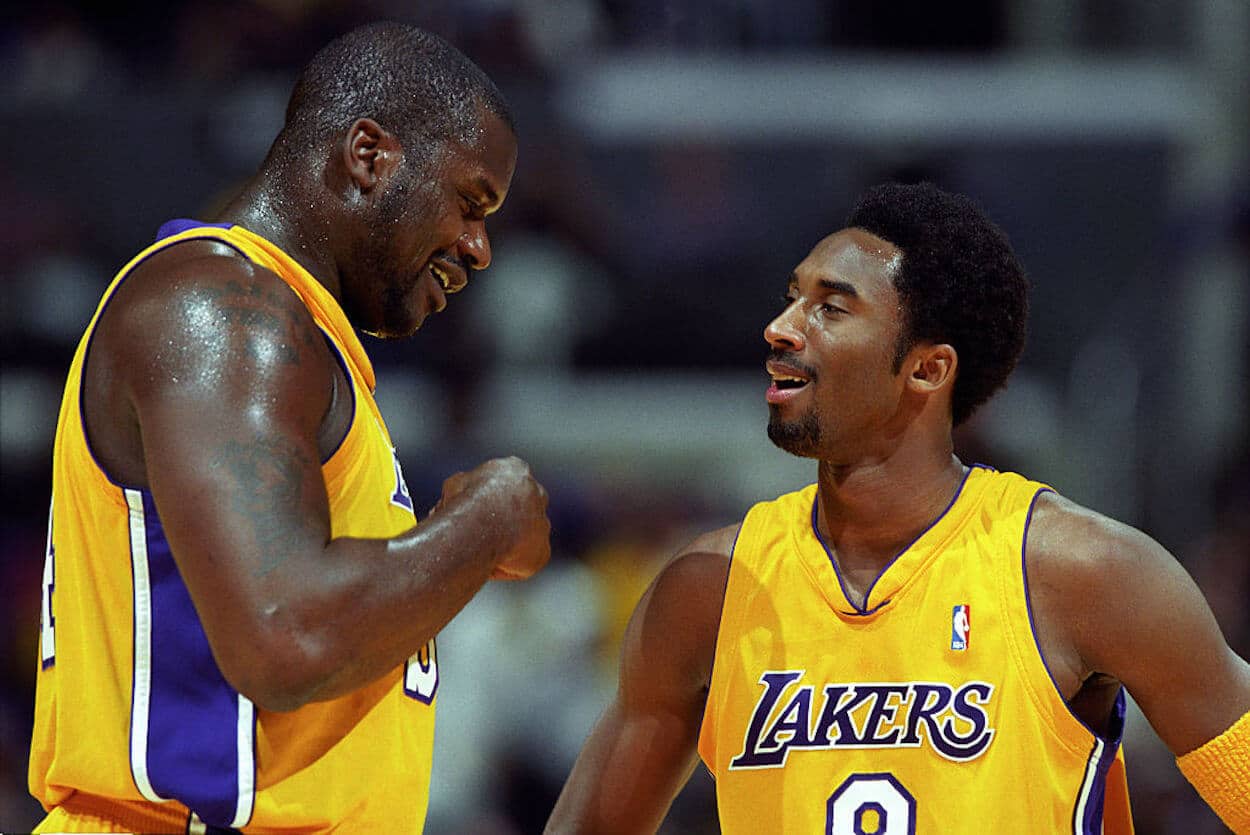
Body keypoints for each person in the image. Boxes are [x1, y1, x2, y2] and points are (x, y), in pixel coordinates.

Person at [546, 182, 1250, 834]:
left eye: (830, 306)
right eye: (792, 297)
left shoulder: (1083, 571)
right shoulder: (708, 588)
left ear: (926, 368)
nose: (781, 326)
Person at [29, 22, 552, 834]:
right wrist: (485, 522)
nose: (481, 248)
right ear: (369, 156)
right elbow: (284, 634)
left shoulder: (290, 336)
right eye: (470, 203)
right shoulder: (227, 315)